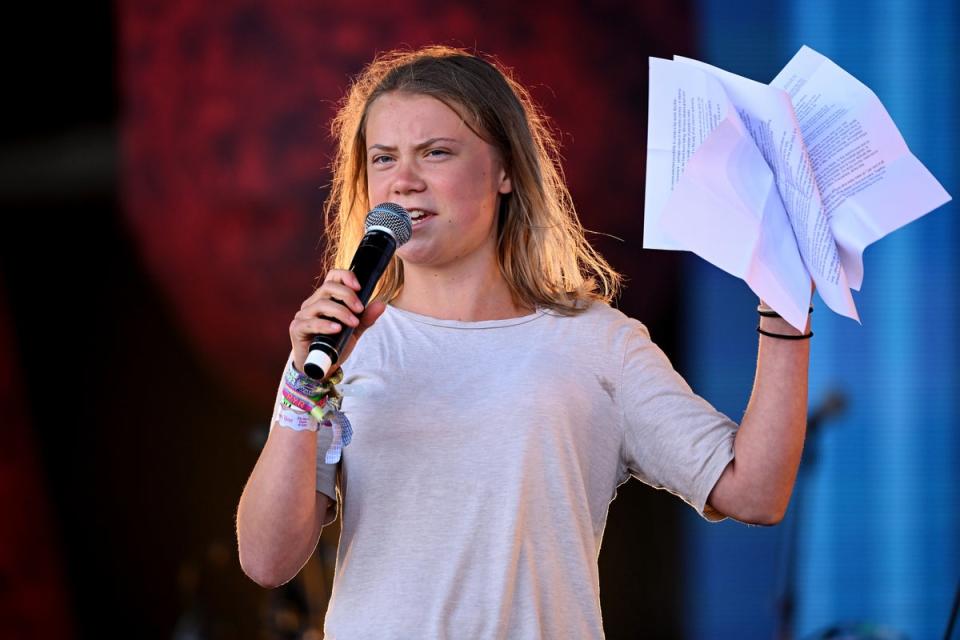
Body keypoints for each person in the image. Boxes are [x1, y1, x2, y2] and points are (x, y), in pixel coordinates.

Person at [236, 45, 812, 638]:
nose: (403, 181)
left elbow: (757, 492)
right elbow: (266, 559)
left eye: (436, 153)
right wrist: (304, 385)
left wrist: (786, 305)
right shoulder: (337, 346)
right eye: (383, 158)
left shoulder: (596, 342)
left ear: (505, 170)